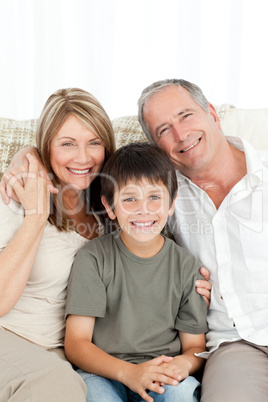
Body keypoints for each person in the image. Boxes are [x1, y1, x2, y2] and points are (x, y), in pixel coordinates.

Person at [137, 79, 268, 402]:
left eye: (186, 115)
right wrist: (28, 158)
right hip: (234, 345)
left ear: (212, 113)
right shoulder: (161, 199)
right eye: (164, 129)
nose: (181, 135)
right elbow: (88, 177)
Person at [64, 142, 208, 402]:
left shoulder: (186, 266)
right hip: (104, 372)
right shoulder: (93, 258)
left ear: (171, 203)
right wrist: (128, 373)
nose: (143, 209)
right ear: (109, 207)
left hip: (161, 373)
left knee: (182, 392)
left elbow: (195, 347)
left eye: (155, 197)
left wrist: (183, 365)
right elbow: (77, 342)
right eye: (130, 199)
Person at [0, 87, 116, 401]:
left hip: (59, 352)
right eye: (67, 144)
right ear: (47, 147)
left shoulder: (112, 208)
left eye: (94, 142)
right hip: (9, 337)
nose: (83, 157)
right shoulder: (17, 192)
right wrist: (36, 217)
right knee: (57, 385)